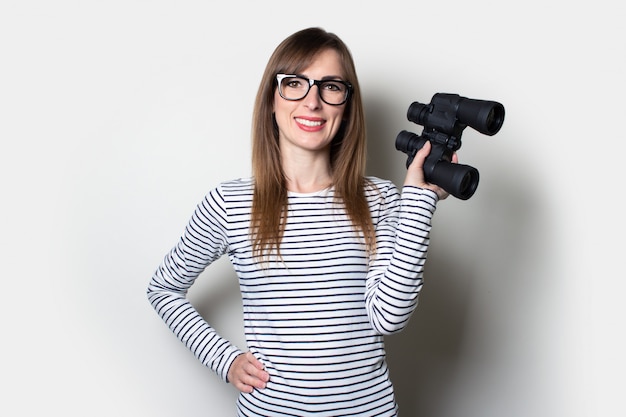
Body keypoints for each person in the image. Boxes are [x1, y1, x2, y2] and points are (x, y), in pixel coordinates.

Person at [147, 27, 456, 416]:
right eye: (294, 83)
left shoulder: (380, 199)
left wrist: (420, 200)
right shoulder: (231, 203)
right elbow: (163, 289)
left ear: (346, 105)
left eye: (330, 87)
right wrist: (224, 359)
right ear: (271, 101)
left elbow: (389, 317)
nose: (312, 102)